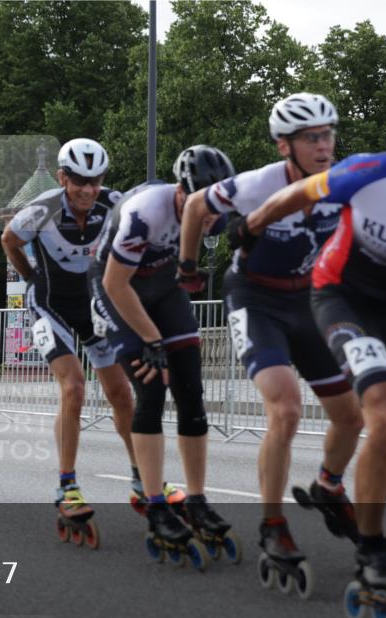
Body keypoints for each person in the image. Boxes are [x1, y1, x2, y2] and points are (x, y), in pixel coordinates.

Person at [241, 87, 386, 601]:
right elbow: (298, 195)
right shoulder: (371, 173)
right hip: (343, 297)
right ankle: (371, 553)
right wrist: (251, 229)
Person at [179, 93, 363, 586]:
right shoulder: (259, 184)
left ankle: (328, 486)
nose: (324, 146)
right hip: (255, 301)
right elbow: (196, 205)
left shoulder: (342, 181)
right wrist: (189, 267)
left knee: (351, 414)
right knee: (285, 408)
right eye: (311, 138)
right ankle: (273, 524)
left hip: (306, 301)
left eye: (328, 135)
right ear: (285, 146)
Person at [1, 138, 170, 542]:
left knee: (121, 394)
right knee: (74, 387)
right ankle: (67, 486)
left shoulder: (113, 203)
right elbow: (9, 239)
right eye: (79, 181)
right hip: (50, 306)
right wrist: (30, 278)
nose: (87, 190)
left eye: (94, 181)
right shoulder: (43, 208)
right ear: (63, 178)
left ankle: (141, 480)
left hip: (93, 306)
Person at [90, 145, 239, 562]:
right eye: (201, 210)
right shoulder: (145, 213)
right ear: (180, 193)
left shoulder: (216, 208)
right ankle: (154, 503)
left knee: (191, 390)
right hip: (117, 289)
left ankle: (195, 499)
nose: (210, 220)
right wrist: (151, 341)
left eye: (214, 211)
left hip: (163, 287)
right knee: (151, 390)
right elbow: (116, 284)